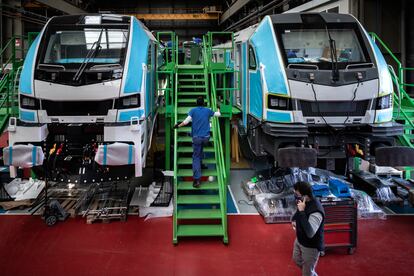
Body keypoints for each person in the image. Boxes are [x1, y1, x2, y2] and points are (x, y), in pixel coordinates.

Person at [174, 96, 220, 188]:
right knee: (200, 148)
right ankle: (201, 163)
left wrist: (177, 126)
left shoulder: (193, 110)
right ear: (203, 103)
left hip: (197, 138)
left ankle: (197, 180)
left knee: (196, 157)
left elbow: (186, 122)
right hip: (206, 138)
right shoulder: (208, 110)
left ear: (196, 103)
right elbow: (218, 114)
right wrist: (218, 109)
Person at [291, 181, 325, 276]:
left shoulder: (316, 211)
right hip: (300, 239)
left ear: (305, 196)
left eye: (297, 194)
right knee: (296, 259)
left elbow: (310, 233)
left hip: (311, 246)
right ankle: (310, 272)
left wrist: (302, 211)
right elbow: (298, 213)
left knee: (306, 273)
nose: (296, 197)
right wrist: (294, 219)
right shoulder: (304, 201)